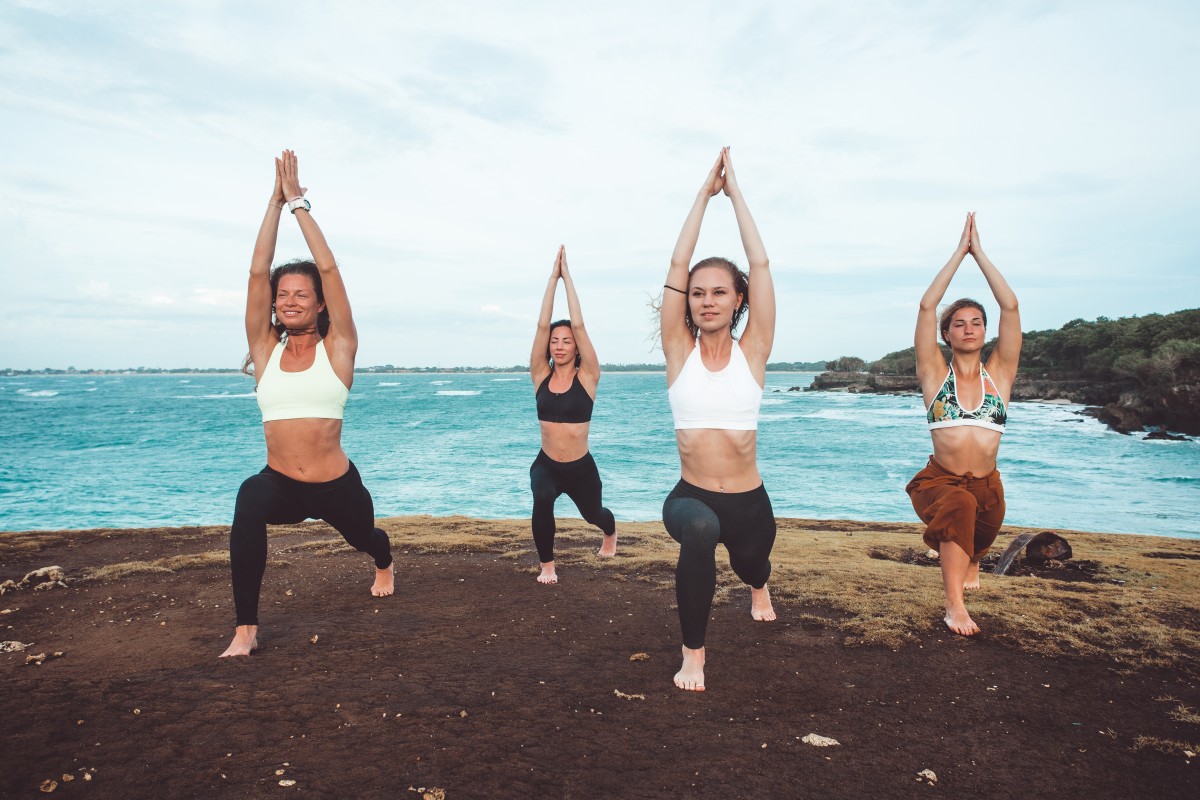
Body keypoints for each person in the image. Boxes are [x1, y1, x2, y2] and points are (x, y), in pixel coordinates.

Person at [220, 150, 394, 657]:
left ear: (319, 303)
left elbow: (331, 269)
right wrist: (272, 205)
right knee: (249, 497)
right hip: (281, 486)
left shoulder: (338, 349)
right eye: (283, 295)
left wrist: (297, 204)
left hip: (336, 486)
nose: (289, 300)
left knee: (366, 537)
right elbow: (256, 274)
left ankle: (385, 561)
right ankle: (246, 629)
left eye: (302, 294)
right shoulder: (265, 350)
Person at [659, 148, 776, 691]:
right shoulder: (677, 352)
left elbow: (761, 265)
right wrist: (702, 197)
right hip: (691, 496)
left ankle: (758, 585)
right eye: (698, 294)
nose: (707, 301)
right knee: (701, 530)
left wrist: (736, 196)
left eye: (719, 293)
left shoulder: (753, 352)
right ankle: (694, 654)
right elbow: (676, 267)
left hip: (749, 503)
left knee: (753, 565)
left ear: (738, 300)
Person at [907, 212, 1021, 636]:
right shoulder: (935, 375)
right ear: (947, 335)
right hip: (940, 483)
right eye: (959, 324)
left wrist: (981, 254)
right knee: (960, 507)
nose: (969, 329)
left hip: (988, 487)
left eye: (976, 323)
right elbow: (927, 306)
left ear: (986, 332)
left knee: (978, 529)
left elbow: (1010, 306)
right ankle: (954, 606)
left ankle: (973, 556)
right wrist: (959, 253)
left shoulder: (1000, 376)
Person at [528, 245, 617, 585]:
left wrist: (567, 278)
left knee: (594, 514)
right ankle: (547, 565)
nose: (560, 345)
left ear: (576, 346)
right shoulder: (540, 374)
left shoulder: (588, 377)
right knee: (542, 497)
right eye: (555, 341)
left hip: (581, 468)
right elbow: (541, 326)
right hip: (547, 464)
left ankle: (610, 532)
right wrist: (552, 279)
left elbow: (578, 324)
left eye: (567, 341)